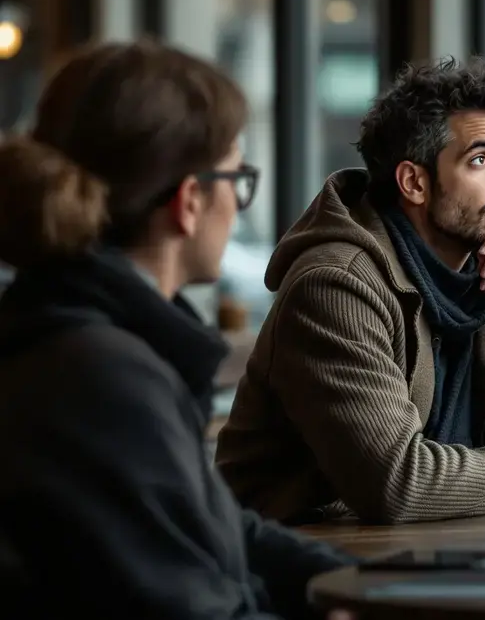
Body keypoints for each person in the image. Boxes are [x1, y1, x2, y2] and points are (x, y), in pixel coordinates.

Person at [0, 41, 355, 618]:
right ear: (190, 201)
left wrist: (357, 583)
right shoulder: (102, 376)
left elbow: (214, 527)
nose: (238, 207)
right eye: (238, 180)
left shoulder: (81, 339)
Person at [216, 57, 485, 525]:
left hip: (436, 559)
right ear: (414, 182)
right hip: (305, 569)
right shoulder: (337, 286)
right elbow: (397, 482)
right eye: (481, 160)